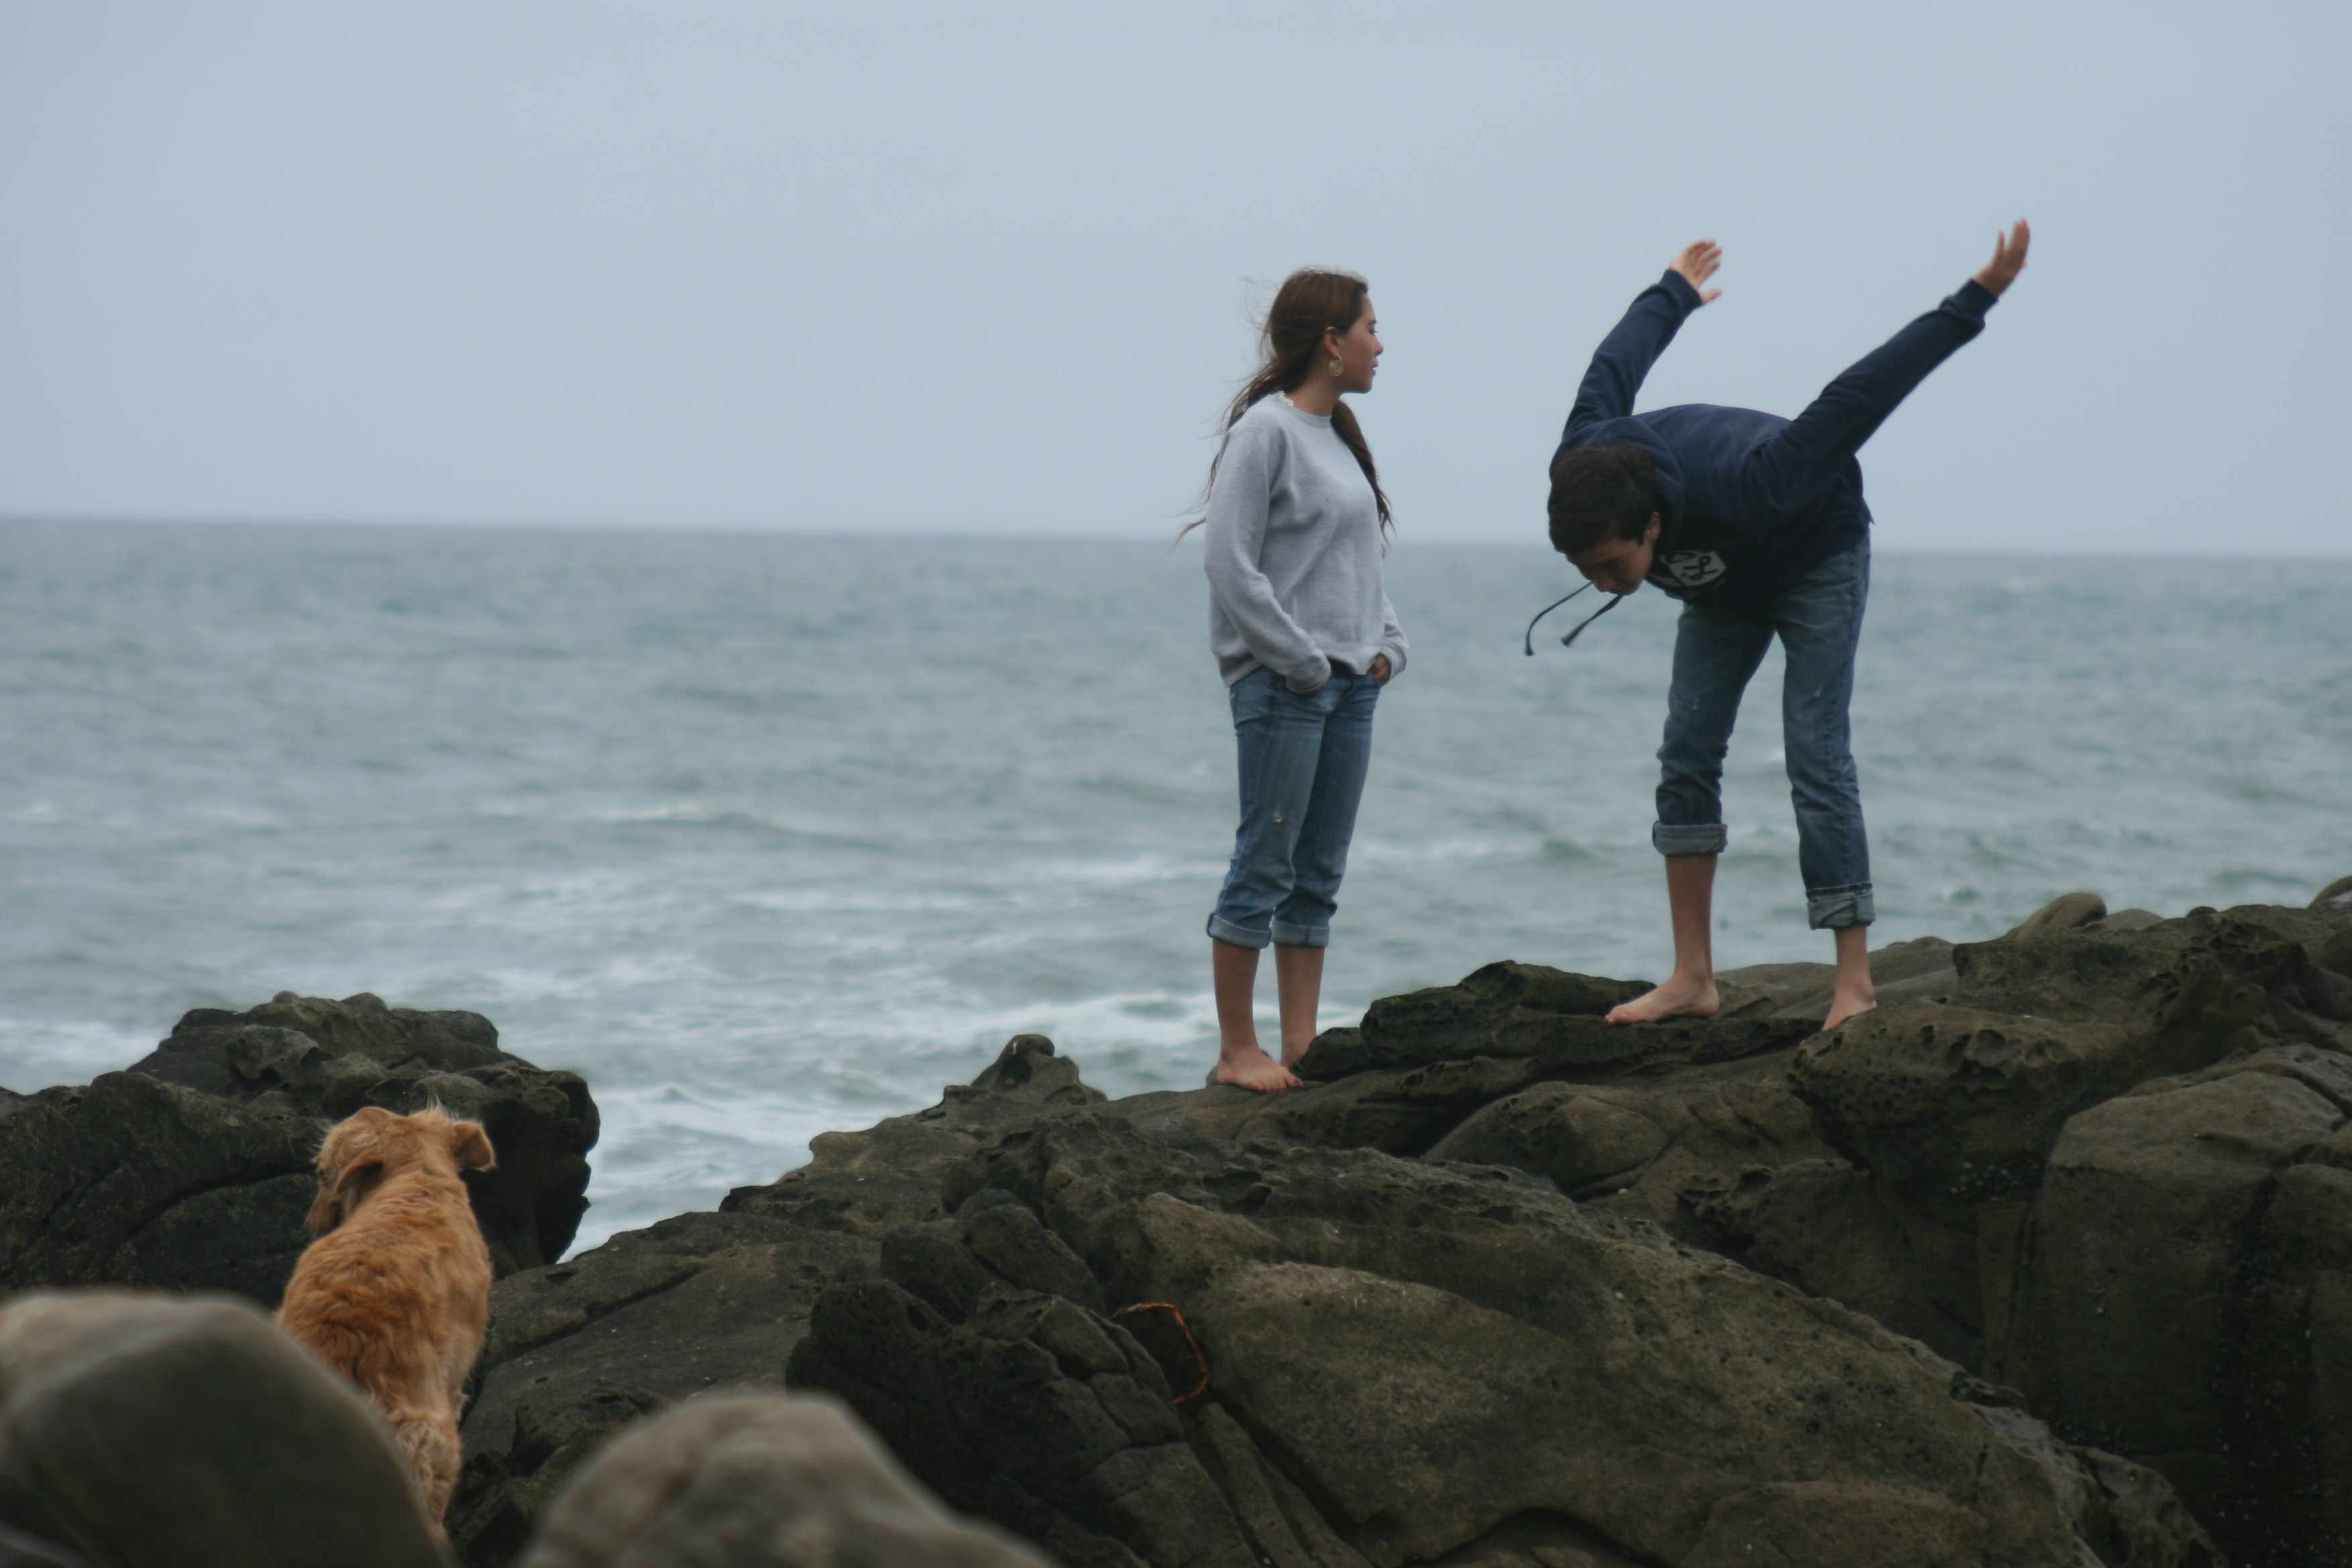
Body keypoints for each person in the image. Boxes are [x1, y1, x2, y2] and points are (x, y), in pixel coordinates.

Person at [1547, 221, 2030, 1030]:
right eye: (1583, 569)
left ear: (1652, 526)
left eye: (1610, 565)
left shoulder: (1755, 479)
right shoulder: (1583, 462)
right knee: (1686, 750)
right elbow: (1614, 363)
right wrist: (1673, 291)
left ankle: (1855, 985)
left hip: (1815, 555)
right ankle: (1693, 977)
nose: (1600, 583)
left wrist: (1970, 302)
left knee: (1815, 750)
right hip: (1724, 585)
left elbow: (1862, 393)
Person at [1193, 268, 1408, 1093]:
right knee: (1265, 864)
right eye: (1370, 328)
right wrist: (1301, 661)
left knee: (1318, 875)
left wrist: (1389, 647)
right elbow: (1229, 563)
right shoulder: (1265, 433)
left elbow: (1355, 563)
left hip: (1351, 688)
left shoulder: (1339, 435)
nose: (1380, 345)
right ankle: (1236, 1050)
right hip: (1288, 688)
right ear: (1331, 341)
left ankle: (1301, 1044)